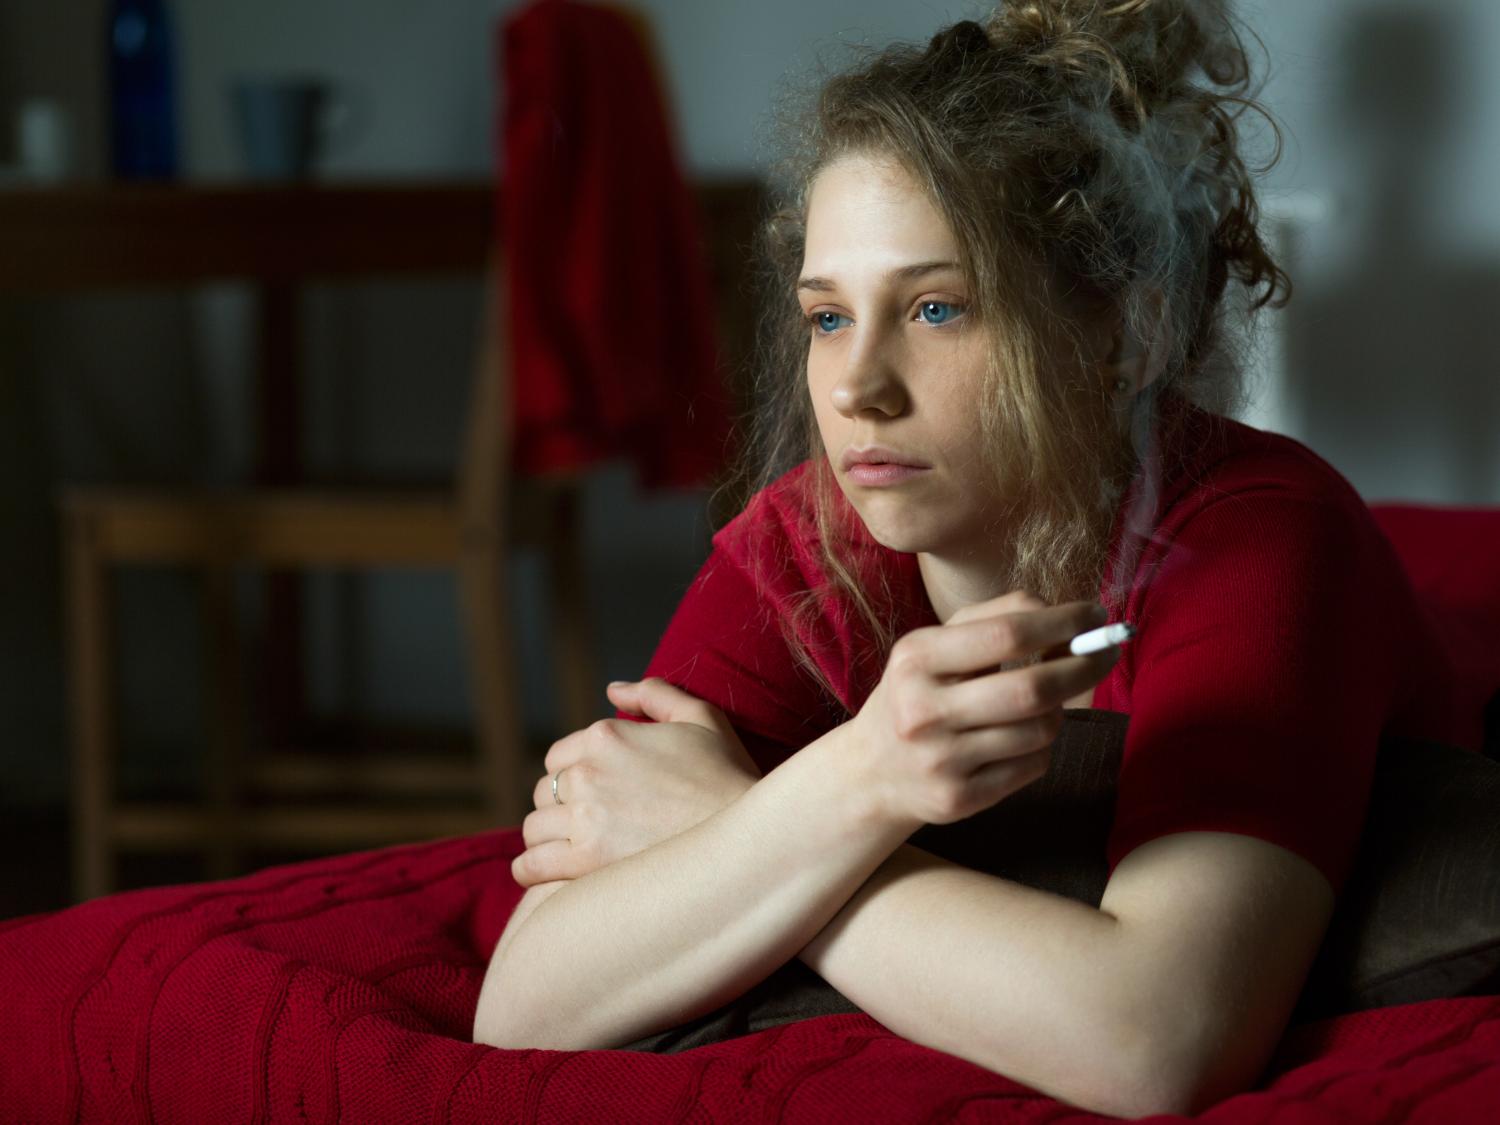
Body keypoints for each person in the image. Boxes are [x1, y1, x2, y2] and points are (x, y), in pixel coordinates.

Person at [472, 0, 1461, 1115]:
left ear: (1126, 338)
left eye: (937, 309)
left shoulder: (1261, 538)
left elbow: (1156, 1038)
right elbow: (525, 1002)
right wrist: (844, 793)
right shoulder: (809, 540)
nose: (857, 388)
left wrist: (791, 813)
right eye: (828, 318)